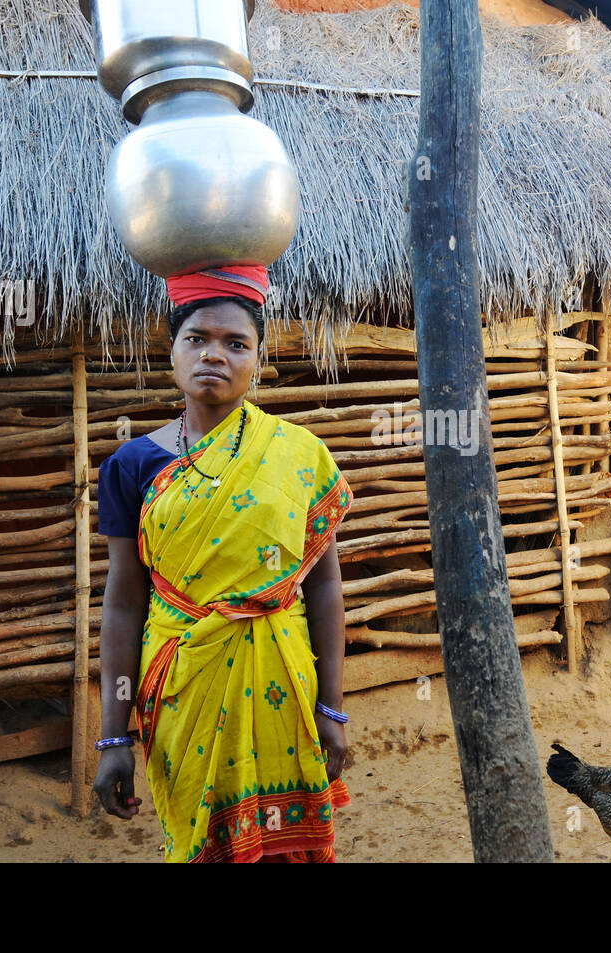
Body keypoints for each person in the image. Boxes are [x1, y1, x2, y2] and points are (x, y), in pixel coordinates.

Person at [92, 264, 354, 863]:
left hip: (282, 685)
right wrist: (113, 734)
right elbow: (124, 604)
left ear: (257, 360)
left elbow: (326, 586)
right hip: (182, 686)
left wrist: (332, 705)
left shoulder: (300, 456)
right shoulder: (131, 467)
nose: (215, 354)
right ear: (172, 352)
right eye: (197, 339)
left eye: (236, 343)